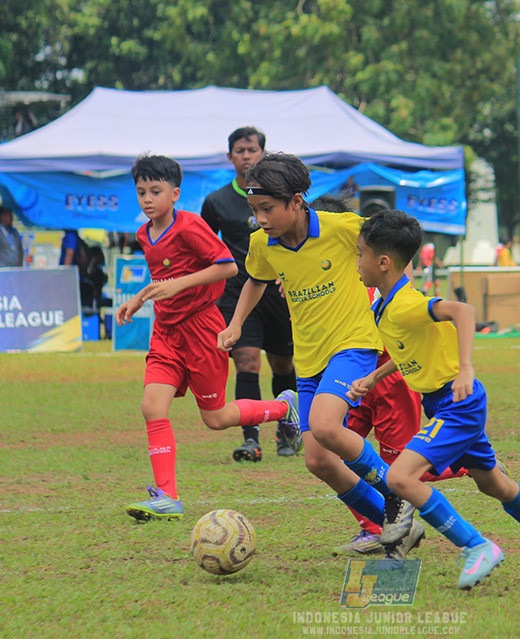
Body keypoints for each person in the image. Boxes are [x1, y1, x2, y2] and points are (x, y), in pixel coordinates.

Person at [348, 209, 520, 589]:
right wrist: (373, 377)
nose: (357, 262)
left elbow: (463, 310)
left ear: (383, 262)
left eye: (360, 254)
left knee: (400, 477)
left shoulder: (406, 303)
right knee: (493, 484)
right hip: (445, 404)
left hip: (458, 401)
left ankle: (476, 546)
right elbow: (408, 352)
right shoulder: (385, 306)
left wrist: (466, 367)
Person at [218, 153, 423, 558]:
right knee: (318, 460)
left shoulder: (344, 228)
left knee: (327, 427)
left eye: (267, 209)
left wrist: (399, 304)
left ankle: (399, 491)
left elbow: (390, 256)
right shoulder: (263, 244)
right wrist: (236, 323)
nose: (259, 218)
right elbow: (255, 282)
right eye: (254, 210)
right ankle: (385, 525)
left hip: (353, 344)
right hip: (308, 359)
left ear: (296, 201)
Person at [116, 155, 300, 522]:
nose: (147, 199)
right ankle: (167, 496)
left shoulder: (190, 226)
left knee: (215, 419)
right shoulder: (142, 234)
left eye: (156, 191)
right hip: (166, 334)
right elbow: (161, 279)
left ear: (175, 193)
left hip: (201, 331)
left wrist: (176, 286)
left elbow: (228, 266)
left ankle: (284, 408)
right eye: (141, 192)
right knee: (152, 406)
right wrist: (140, 297)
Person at [312, 196, 469, 557]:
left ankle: (464, 464)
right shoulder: (336, 274)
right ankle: (372, 526)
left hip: (391, 383)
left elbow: (419, 317)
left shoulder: (380, 277)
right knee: (336, 452)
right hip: (357, 382)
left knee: (399, 471)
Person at [201, 127, 299, 461]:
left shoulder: (284, 200)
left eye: (252, 150)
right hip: (237, 294)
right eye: (240, 150)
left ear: (263, 154)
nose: (246, 155)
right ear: (230, 157)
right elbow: (205, 249)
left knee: (282, 363)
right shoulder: (216, 202)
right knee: (246, 360)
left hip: (279, 292)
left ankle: (288, 430)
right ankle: (250, 439)